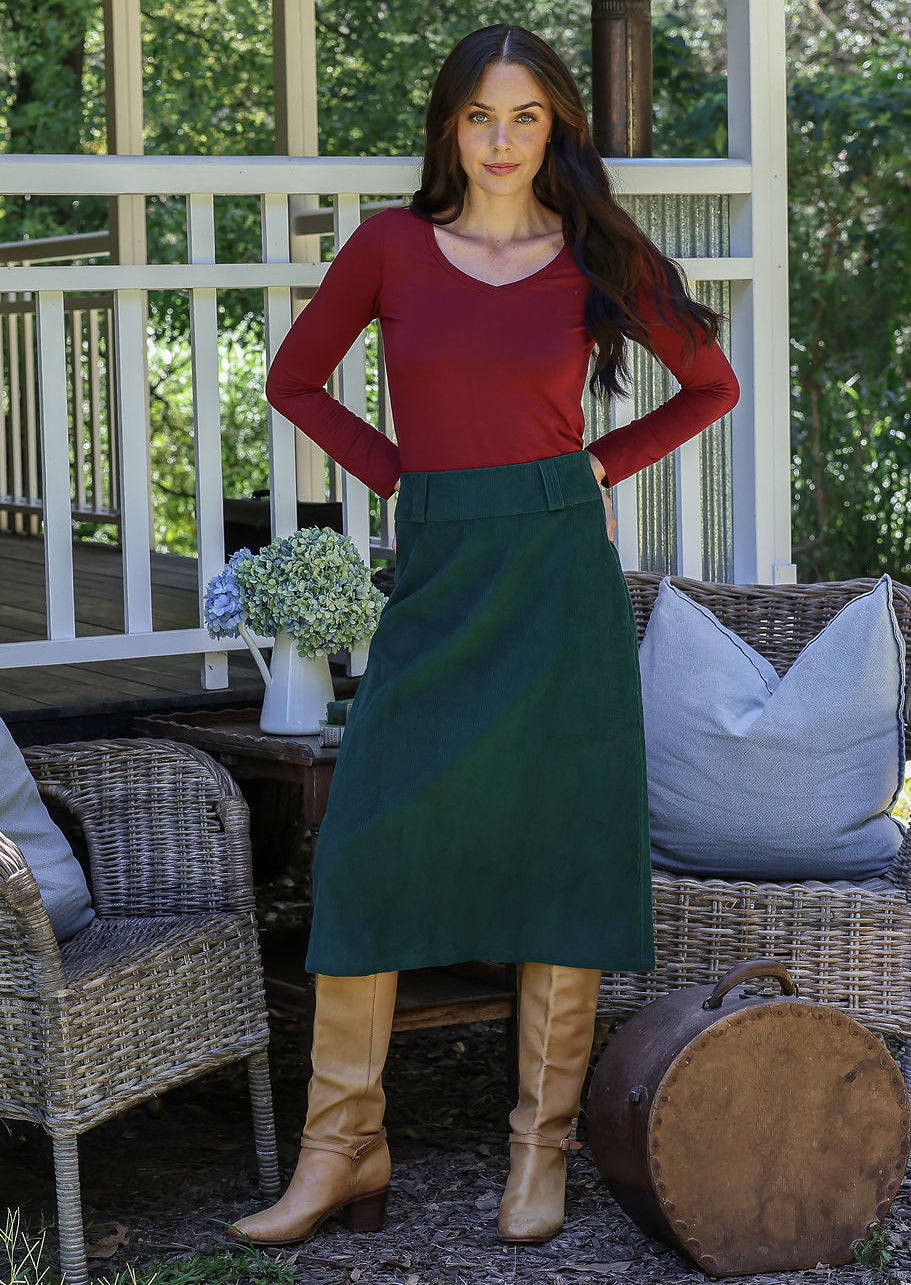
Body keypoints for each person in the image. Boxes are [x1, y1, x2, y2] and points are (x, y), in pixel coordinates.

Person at [229, 23, 739, 1250]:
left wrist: (594, 466)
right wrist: (399, 472)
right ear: (446, 129)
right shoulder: (392, 248)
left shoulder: (597, 251)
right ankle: (341, 1146)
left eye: (524, 117)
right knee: (364, 843)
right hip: (444, 565)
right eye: (479, 117)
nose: (503, 140)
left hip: (559, 570)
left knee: (561, 849)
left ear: (554, 126)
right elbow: (292, 382)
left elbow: (709, 382)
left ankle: (538, 1153)